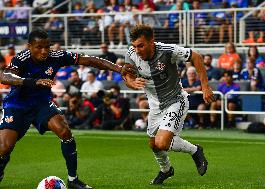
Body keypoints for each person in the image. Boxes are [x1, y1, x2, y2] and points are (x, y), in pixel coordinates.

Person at [0, 29, 136, 189]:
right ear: (29, 46)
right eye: (39, 47)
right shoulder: (21, 58)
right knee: (5, 147)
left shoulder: (56, 56)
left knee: (65, 132)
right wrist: (33, 82)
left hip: (41, 103)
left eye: (47, 47)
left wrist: (119, 69)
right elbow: (5, 77)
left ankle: (73, 179)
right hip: (17, 105)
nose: (44, 51)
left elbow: (90, 60)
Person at [123, 25, 215, 185]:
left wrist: (205, 86)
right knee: (154, 145)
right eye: (135, 46)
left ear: (151, 41)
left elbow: (197, 56)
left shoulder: (167, 51)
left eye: (141, 45)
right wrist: (132, 82)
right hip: (155, 106)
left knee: (162, 143)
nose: (137, 50)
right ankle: (166, 170)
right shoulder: (131, 54)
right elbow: (127, 76)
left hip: (175, 101)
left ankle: (195, 150)